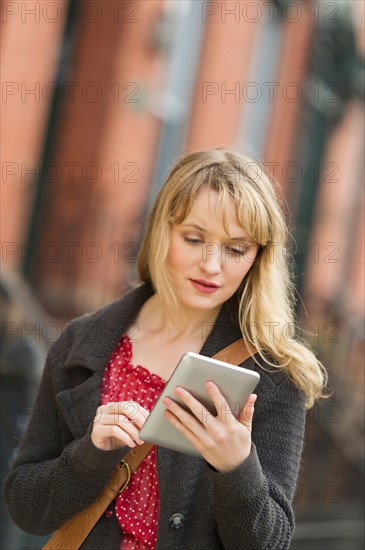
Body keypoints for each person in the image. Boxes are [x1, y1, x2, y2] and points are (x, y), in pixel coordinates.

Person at [4, 148, 326, 550]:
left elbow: (269, 543)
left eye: (235, 249)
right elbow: (25, 508)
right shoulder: (80, 344)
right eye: (194, 239)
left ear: (258, 258)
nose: (212, 265)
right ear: (162, 232)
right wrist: (90, 455)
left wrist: (237, 468)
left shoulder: (276, 372)